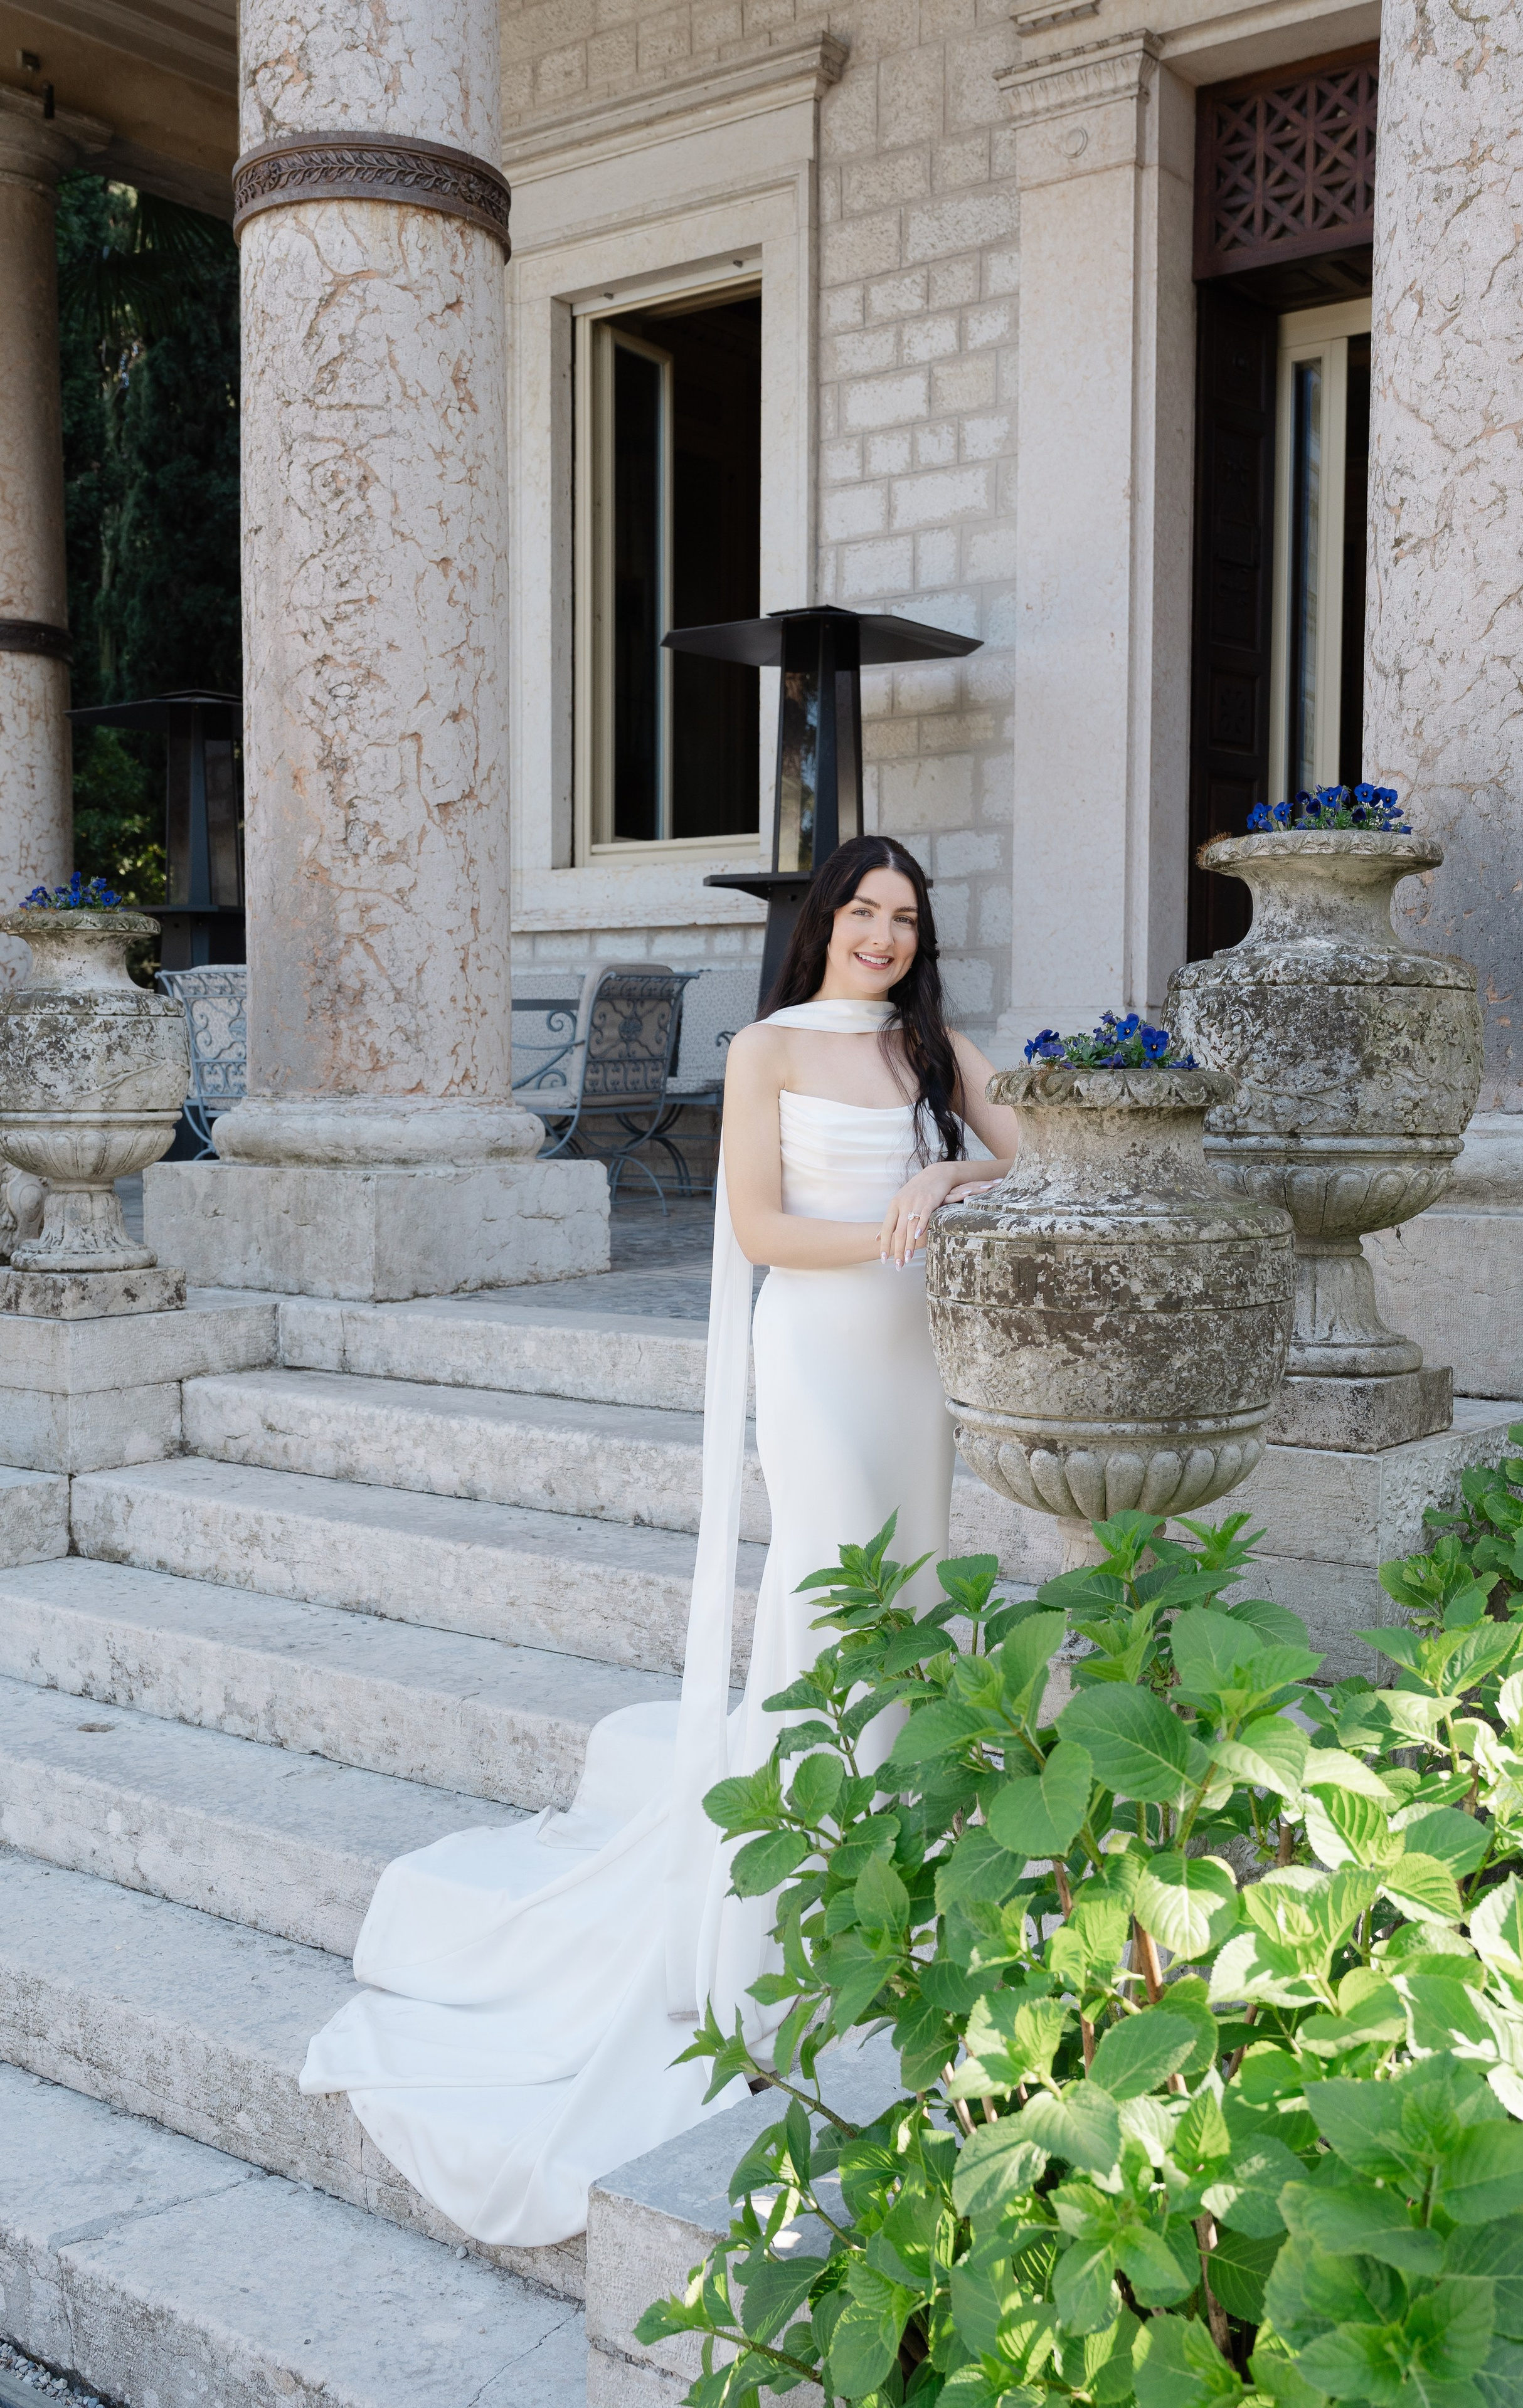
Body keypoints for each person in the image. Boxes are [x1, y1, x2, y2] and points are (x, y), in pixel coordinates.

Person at [299, 834, 1018, 2248]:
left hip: (915, 1362)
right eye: (862, 911)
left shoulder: (939, 1050)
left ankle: (906, 1877)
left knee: (921, 1599)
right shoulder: (766, 1049)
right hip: (817, 1354)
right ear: (821, 921)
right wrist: (895, 1219)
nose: (882, 935)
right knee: (827, 1602)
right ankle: (786, 1930)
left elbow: (1044, 1158)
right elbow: (754, 1223)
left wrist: (950, 1184)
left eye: (904, 918)